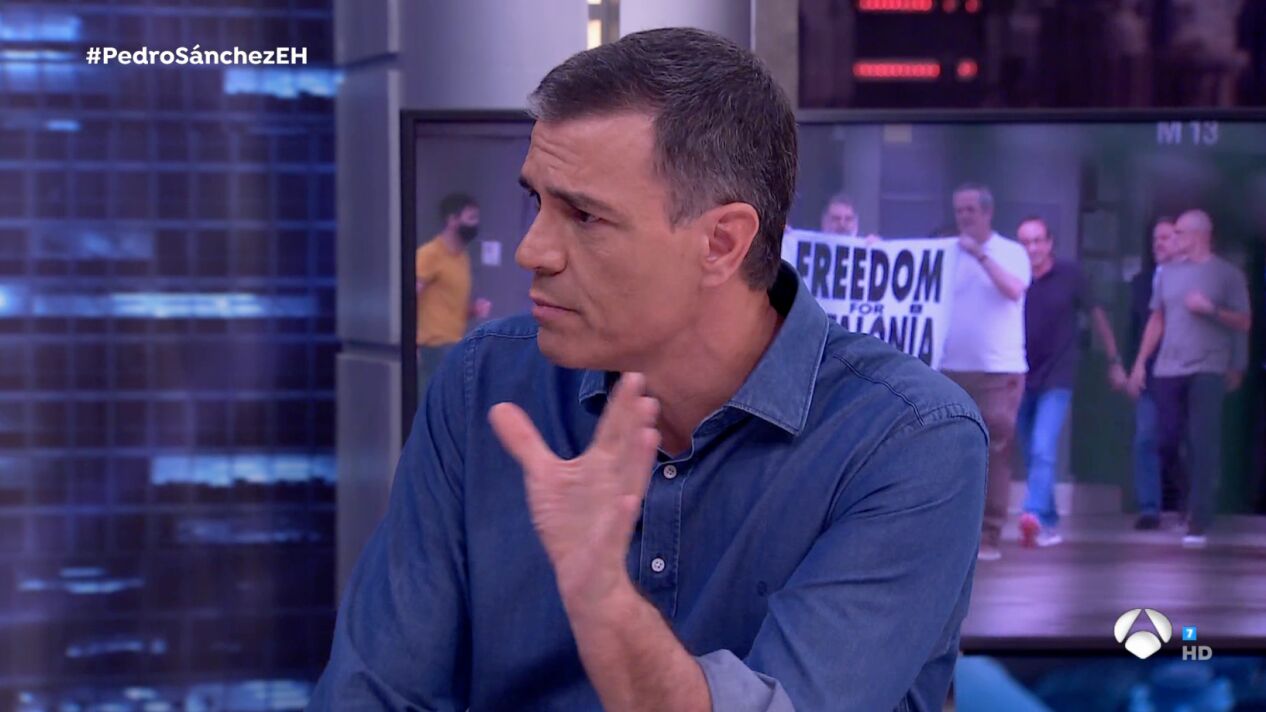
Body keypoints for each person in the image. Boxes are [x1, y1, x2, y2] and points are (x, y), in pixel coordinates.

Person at [314, 28, 988, 711]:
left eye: (584, 215)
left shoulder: (911, 439)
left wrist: (599, 592)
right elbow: (373, 694)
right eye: (536, 202)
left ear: (721, 243)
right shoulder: (481, 384)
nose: (531, 251)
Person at [1128, 209, 1251, 548]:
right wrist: (1140, 363)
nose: (1173, 238)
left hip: (1208, 367)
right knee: (1165, 441)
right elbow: (1157, 319)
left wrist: (1210, 309)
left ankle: (1198, 517)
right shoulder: (1167, 274)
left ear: (1199, 235)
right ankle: (1189, 499)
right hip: (1168, 368)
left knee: (1202, 441)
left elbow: (1244, 322)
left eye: (1179, 233)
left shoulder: (1227, 274)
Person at [1013, 217, 1126, 547]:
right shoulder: (1014, 277)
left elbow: (1098, 316)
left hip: (1058, 374)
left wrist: (1114, 360)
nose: (1032, 248)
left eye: (1037, 240)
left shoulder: (1070, 274)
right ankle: (1048, 523)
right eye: (1025, 242)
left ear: (1049, 243)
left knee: (1043, 446)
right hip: (1019, 374)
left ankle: (1032, 513)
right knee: (1030, 451)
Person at [939, 183, 1032, 562]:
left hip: (998, 370)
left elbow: (1014, 289)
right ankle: (952, 533)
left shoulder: (1011, 252)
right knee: (949, 451)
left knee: (994, 450)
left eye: (970, 210)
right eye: (959, 210)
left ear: (987, 212)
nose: (963, 217)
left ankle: (989, 534)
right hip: (950, 369)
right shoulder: (947, 252)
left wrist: (980, 255)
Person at [1127, 217, 1179, 530]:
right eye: (1156, 238)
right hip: (1150, 372)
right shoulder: (1140, 282)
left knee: (1177, 439)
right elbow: (1134, 329)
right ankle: (1150, 508)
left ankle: (1188, 505)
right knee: (1145, 438)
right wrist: (1133, 367)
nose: (1159, 243)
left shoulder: (1192, 279)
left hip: (1183, 371)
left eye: (1166, 237)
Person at [415, 193, 492, 397]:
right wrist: (410, 345)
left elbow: (450, 307)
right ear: (452, 220)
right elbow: (409, 300)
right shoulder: (430, 254)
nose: (476, 223)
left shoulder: (462, 257)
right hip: (432, 348)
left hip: (454, 345)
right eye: (471, 217)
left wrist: (473, 310)